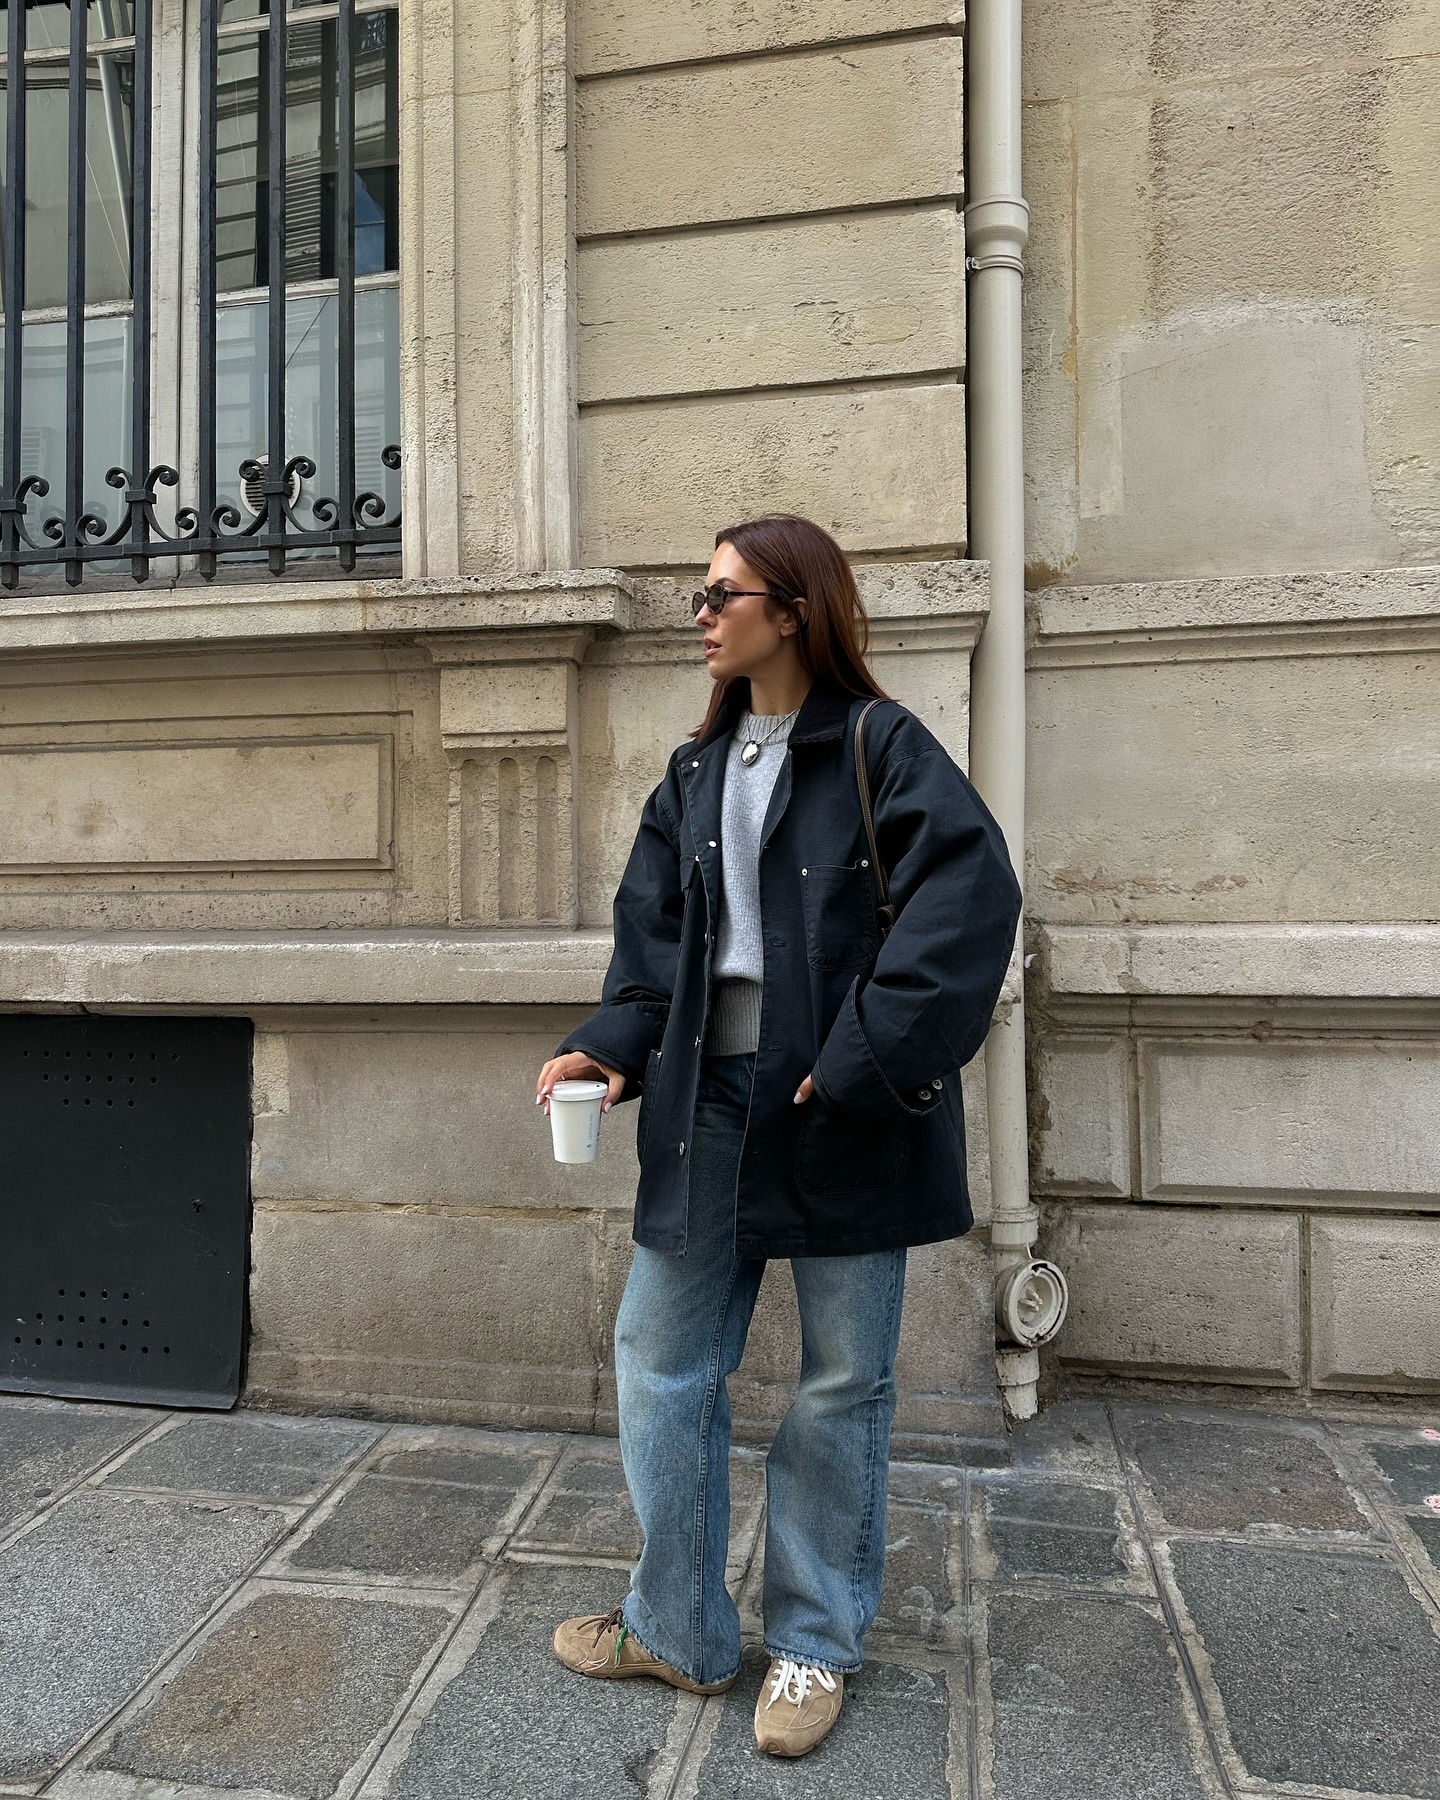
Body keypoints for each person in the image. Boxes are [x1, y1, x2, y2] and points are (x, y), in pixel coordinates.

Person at [536, 514, 1020, 1758]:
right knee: (660, 1358)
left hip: (838, 1109)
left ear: (792, 609)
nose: (700, 614)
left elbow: (967, 906)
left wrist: (856, 1062)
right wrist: (607, 1046)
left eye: (721, 593)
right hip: (706, 1104)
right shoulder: (692, 775)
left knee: (842, 1382)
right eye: (701, 595)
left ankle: (812, 1646)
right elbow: (652, 954)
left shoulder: (879, 745)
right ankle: (681, 1630)